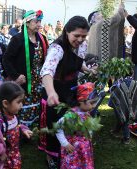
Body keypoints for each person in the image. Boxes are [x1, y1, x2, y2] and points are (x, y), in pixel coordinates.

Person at [40, 16, 92, 168]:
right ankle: (51, 156)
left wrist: (87, 69)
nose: (80, 39)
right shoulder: (57, 48)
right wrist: (50, 92)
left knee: (68, 121)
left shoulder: (82, 45)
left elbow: (77, 61)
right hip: (55, 90)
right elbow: (47, 72)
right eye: (76, 35)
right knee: (54, 123)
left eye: (83, 36)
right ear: (67, 31)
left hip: (70, 89)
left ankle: (69, 150)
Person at [2, 10, 48, 126]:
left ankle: (33, 128)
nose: (39, 24)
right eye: (36, 22)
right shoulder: (18, 39)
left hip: (38, 80)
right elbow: (6, 59)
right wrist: (15, 76)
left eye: (40, 21)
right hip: (24, 80)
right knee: (23, 105)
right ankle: (22, 131)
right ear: (27, 23)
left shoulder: (42, 38)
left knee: (37, 103)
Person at [56, 82, 95, 169]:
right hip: (73, 148)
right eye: (91, 102)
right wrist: (65, 143)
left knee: (84, 164)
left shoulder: (86, 114)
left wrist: (90, 134)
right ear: (81, 102)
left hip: (84, 148)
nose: (93, 104)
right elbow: (57, 128)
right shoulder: (71, 116)